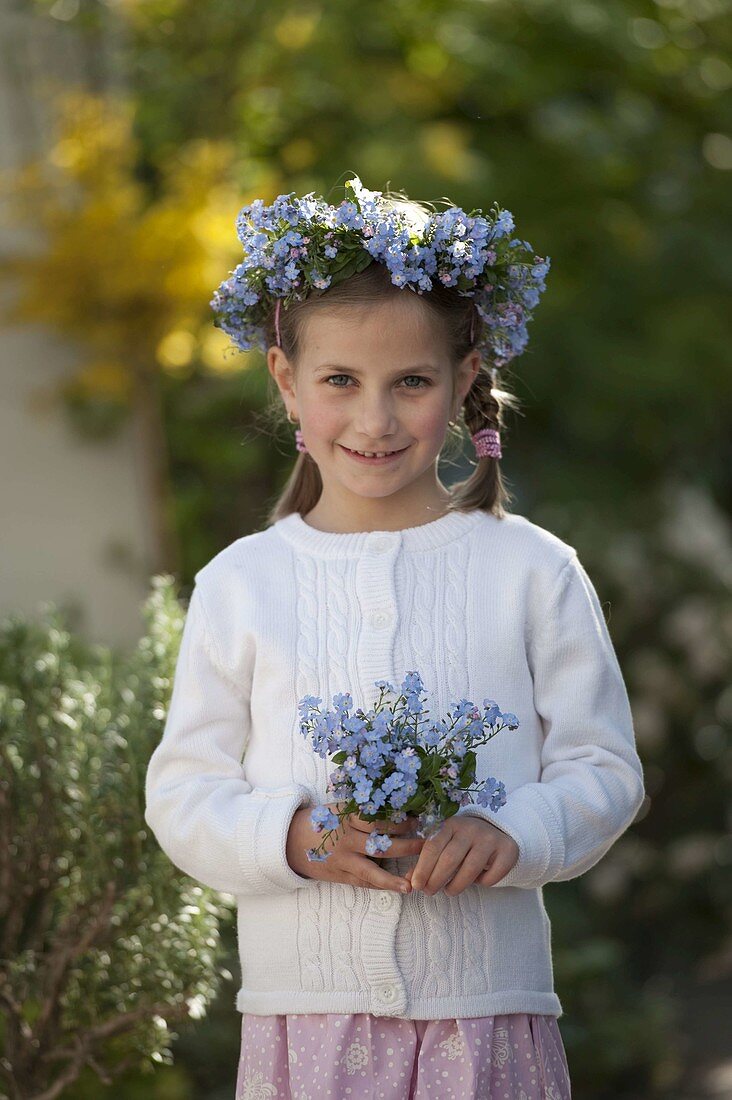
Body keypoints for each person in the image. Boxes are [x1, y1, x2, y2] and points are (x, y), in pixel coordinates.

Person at [144, 176, 645, 1099]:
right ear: (288, 382)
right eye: (341, 381)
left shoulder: (532, 570)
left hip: (486, 1019)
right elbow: (183, 791)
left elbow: (604, 768)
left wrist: (514, 830)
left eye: (410, 382)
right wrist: (290, 837)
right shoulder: (243, 584)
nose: (375, 420)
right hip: (302, 1024)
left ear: (463, 380)